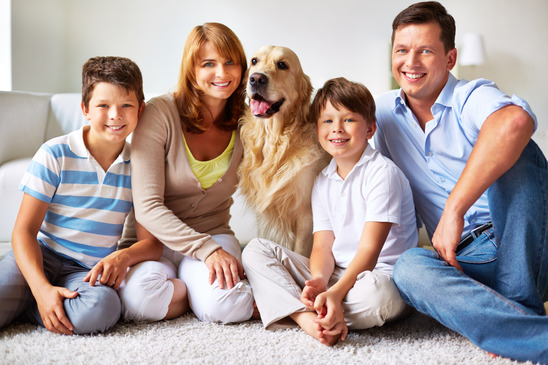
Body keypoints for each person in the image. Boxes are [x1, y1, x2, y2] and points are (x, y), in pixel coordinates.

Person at [373, 2, 548, 363]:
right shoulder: (382, 112)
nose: (411, 62)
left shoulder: (471, 95)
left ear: (450, 58)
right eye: (402, 50)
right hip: (463, 266)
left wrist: (454, 210)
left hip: (529, 248)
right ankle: (520, 327)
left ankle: (514, 312)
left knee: (515, 149)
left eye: (425, 51)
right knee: (408, 268)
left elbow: (514, 123)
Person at [242, 77, 417, 345]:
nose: (337, 129)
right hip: (337, 273)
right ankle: (309, 317)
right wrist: (319, 282)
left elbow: (369, 252)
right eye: (327, 121)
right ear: (316, 129)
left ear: (370, 128)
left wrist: (335, 293)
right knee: (255, 250)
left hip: (380, 275)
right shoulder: (323, 180)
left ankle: (301, 310)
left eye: (348, 120)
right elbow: (323, 247)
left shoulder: (383, 173)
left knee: (374, 297)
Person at [0, 56, 162, 335]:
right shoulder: (55, 154)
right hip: (40, 256)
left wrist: (121, 258)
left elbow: (152, 245)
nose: (115, 115)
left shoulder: (140, 166)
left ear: (140, 110)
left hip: (86, 272)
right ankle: (37, 298)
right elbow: (23, 233)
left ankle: (30, 306)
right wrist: (40, 289)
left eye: (126, 105)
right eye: (103, 106)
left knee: (103, 308)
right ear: (85, 109)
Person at [118, 22, 254, 324]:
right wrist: (207, 251)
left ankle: (200, 293)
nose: (222, 73)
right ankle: (192, 293)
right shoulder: (159, 113)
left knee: (228, 308)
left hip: (214, 233)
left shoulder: (248, 120)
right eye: (209, 63)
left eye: (230, 62)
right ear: (191, 69)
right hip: (156, 241)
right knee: (139, 304)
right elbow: (148, 207)